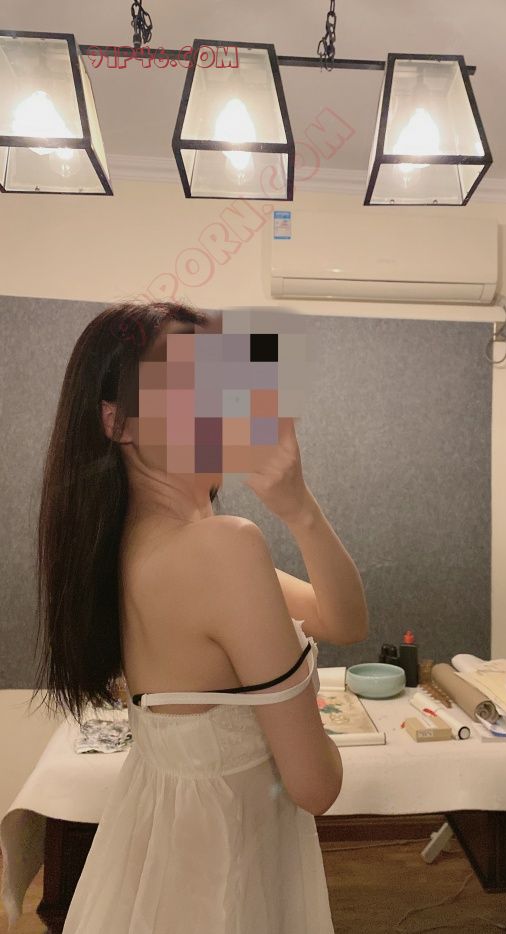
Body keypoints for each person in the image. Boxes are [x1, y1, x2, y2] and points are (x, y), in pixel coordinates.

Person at [32, 300, 369, 933]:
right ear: (118, 422)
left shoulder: (142, 544)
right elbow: (316, 786)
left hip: (166, 855)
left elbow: (342, 619)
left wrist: (299, 508)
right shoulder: (220, 548)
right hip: (221, 876)